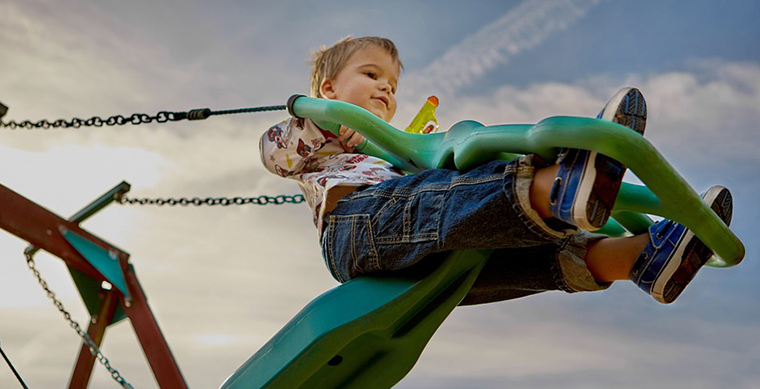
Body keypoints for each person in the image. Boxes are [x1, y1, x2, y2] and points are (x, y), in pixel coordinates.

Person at [259, 36, 733, 305]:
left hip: (416, 258)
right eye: (371, 75)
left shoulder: (392, 149)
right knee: (449, 193)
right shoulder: (314, 136)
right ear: (327, 88)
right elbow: (274, 152)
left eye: (391, 83)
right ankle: (556, 187)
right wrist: (320, 117)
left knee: (502, 259)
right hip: (356, 233)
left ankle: (638, 257)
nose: (385, 89)